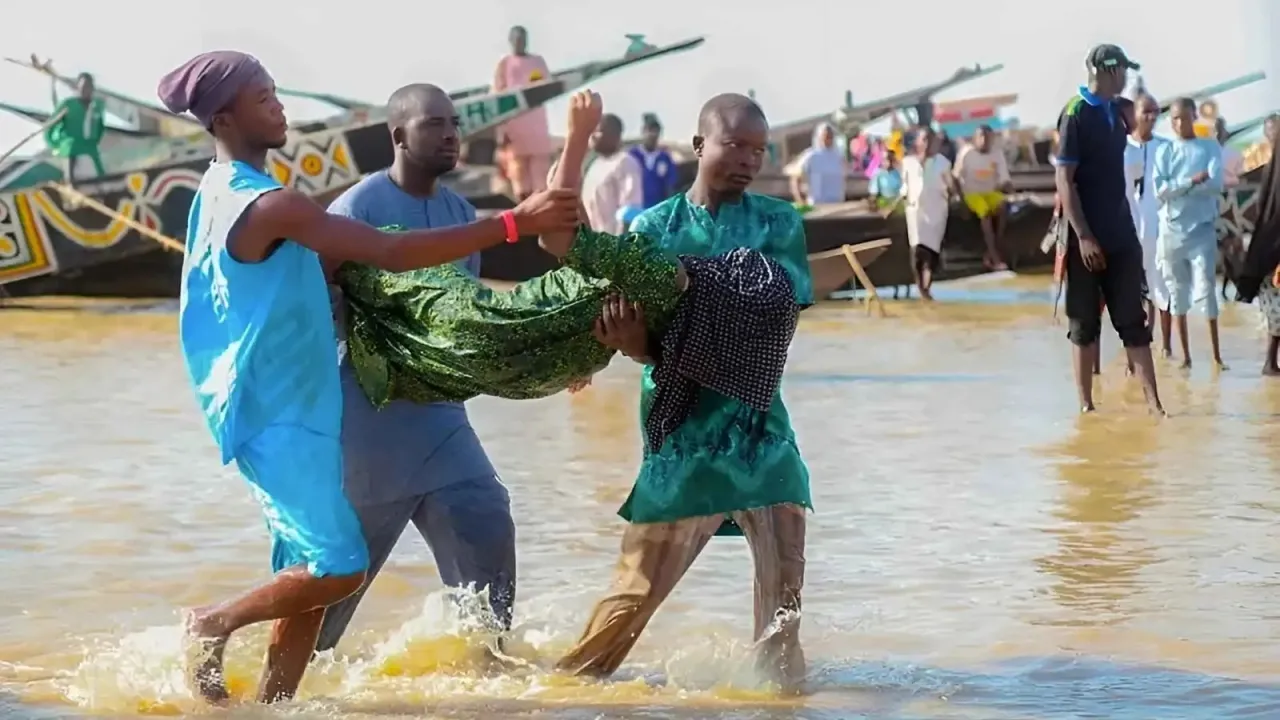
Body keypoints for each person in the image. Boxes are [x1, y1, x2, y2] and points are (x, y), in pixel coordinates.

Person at [155, 51, 578, 705]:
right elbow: (390, 251)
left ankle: (273, 705)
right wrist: (514, 223)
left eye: (275, 92)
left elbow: (312, 278)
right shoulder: (272, 204)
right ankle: (211, 623)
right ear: (224, 117)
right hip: (290, 411)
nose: (280, 107)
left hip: (286, 403)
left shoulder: (218, 191)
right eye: (263, 98)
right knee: (339, 566)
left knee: (308, 566)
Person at [556, 93, 812, 691]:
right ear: (699, 145)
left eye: (759, 150)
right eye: (735, 145)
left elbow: (770, 322)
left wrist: (660, 334)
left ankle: (780, 703)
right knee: (628, 604)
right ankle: (556, 695)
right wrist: (625, 344)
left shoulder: (780, 223)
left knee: (783, 618)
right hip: (684, 436)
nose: (748, 160)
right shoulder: (653, 230)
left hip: (760, 431)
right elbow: (639, 327)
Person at [313, 84, 517, 656]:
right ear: (399, 135)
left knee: (485, 516)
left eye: (455, 123)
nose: (451, 134)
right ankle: (284, 683)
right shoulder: (356, 209)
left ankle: (491, 672)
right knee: (337, 577)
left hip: (441, 413)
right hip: (369, 414)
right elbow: (320, 314)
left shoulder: (460, 214)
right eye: (435, 124)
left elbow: (462, 314)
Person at [1054, 44, 1164, 413]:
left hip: (1121, 233)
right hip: (1086, 236)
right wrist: (1084, 236)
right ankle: (1086, 406)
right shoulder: (1075, 113)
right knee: (1084, 324)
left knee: (1133, 320)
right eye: (1123, 71)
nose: (1127, 78)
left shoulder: (1116, 111)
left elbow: (1137, 113)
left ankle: (1155, 406)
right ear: (1110, 71)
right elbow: (1065, 180)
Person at [1153, 97, 1226, 369]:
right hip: (1171, 231)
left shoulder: (1209, 147)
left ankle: (1216, 357)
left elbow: (1215, 184)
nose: (1180, 123)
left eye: (1184, 117)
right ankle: (1185, 357)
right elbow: (1160, 191)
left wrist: (1180, 187)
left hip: (1201, 229)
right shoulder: (1165, 151)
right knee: (1177, 292)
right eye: (1175, 118)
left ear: (1194, 117)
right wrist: (1191, 180)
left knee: (1207, 290)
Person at [1123, 92, 1172, 358]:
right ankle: (1137, 347)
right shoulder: (1122, 148)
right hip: (1129, 227)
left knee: (1162, 286)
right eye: (1146, 112)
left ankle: (1166, 347)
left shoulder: (1166, 148)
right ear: (1135, 114)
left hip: (1159, 227)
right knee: (1133, 291)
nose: (1151, 117)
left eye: (1155, 112)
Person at [890, 127, 957, 301]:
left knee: (932, 251)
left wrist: (957, 198)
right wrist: (893, 205)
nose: (927, 144)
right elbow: (905, 187)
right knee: (917, 249)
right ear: (918, 142)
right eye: (924, 139)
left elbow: (950, 186)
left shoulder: (943, 163)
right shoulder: (908, 162)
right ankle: (920, 287)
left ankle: (927, 287)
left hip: (936, 210)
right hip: (915, 210)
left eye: (930, 140)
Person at [1233, 131, 1280, 374]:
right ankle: (1270, 363)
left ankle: (1270, 363)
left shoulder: (1272, 172)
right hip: (1273, 253)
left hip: (1267, 250)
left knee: (1276, 313)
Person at [493, 25, 554, 200]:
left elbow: (547, 87)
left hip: (537, 127)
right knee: (520, 181)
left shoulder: (538, 62)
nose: (520, 43)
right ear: (511, 41)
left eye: (523, 40)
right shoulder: (504, 64)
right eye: (517, 40)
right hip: (514, 127)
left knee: (540, 182)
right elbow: (497, 96)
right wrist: (501, 132)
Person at [953, 124, 1013, 270]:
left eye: (987, 137)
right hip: (972, 193)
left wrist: (1007, 187)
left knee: (1003, 207)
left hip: (990, 192)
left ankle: (992, 251)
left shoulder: (997, 153)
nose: (984, 140)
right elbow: (955, 176)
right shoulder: (966, 153)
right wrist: (960, 198)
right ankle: (995, 257)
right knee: (985, 213)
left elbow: (1004, 179)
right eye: (981, 136)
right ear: (975, 138)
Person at [580, 113, 644, 233]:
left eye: (598, 131)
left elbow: (630, 210)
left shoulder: (625, 163)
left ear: (615, 135)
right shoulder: (595, 164)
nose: (592, 136)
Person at [45, 72, 106, 192]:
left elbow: (100, 127)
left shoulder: (97, 106)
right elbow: (49, 127)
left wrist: (94, 141)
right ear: (77, 87)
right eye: (82, 87)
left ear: (92, 88)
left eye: (88, 87)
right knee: (72, 186)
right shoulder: (68, 105)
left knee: (102, 183)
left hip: (90, 150)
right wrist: (55, 145)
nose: (85, 90)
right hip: (71, 149)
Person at [789, 122, 847, 206]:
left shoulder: (838, 156)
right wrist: (800, 200)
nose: (828, 139)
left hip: (837, 203)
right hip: (817, 204)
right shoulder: (810, 156)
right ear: (819, 137)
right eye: (825, 136)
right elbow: (795, 177)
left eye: (830, 136)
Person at [628, 112, 679, 209]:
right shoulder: (632, 156)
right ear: (643, 131)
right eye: (650, 130)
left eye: (656, 131)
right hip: (636, 209)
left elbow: (671, 185)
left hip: (657, 210)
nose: (652, 135)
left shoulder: (665, 158)